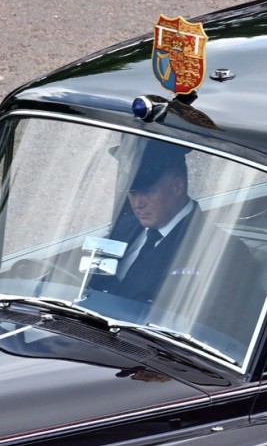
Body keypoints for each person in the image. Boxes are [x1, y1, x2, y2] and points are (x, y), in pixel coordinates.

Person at [88, 141, 258, 343]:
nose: (138, 204)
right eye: (133, 193)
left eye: (148, 192)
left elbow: (215, 336)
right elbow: (91, 282)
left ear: (178, 187)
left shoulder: (224, 252)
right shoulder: (124, 228)